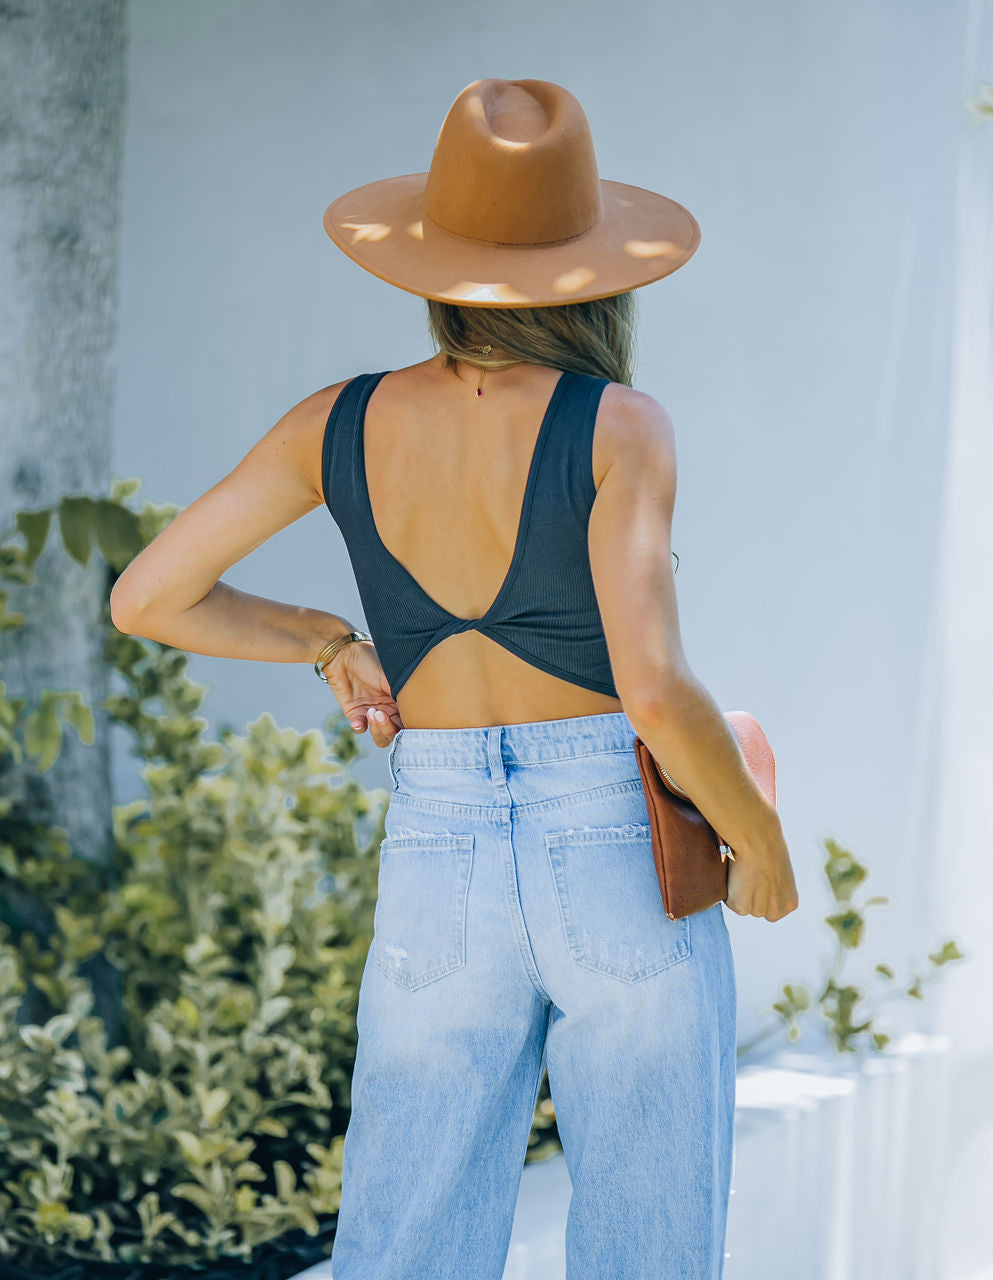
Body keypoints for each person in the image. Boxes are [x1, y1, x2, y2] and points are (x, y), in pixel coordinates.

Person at [110, 77, 797, 1280]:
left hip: (439, 843)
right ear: (594, 273)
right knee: (650, 1243)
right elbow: (652, 685)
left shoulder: (336, 421)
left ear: (432, 265)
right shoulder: (618, 424)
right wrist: (759, 840)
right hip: (612, 845)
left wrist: (327, 640)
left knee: (405, 1243)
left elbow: (147, 597)